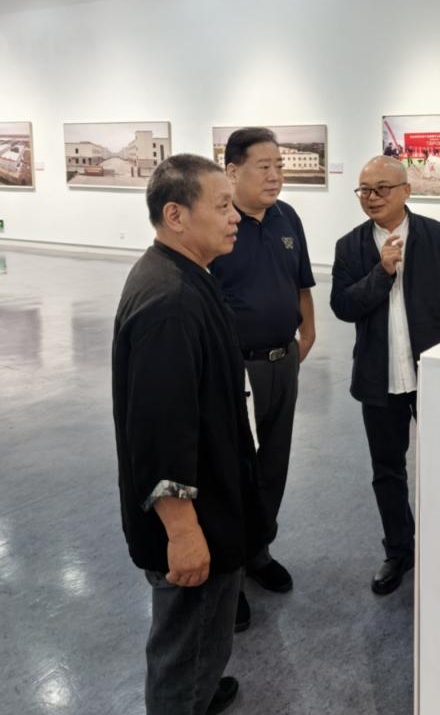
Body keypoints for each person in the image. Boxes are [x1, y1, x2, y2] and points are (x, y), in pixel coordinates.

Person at [112, 154, 256, 715]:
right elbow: (158, 431)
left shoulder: (187, 276)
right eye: (222, 206)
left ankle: (201, 687)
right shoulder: (169, 302)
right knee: (184, 644)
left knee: (202, 635)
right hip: (193, 518)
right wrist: (183, 531)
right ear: (175, 215)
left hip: (213, 498)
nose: (235, 216)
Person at [330, 156, 440, 595]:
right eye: (364, 190)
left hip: (433, 374)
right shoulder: (350, 246)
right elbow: (343, 306)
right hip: (379, 378)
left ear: (406, 190)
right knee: (387, 470)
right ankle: (399, 551)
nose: (372, 198)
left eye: (382, 188)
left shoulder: (439, 238)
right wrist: (381, 272)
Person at [209, 128, 316, 615]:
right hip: (236, 369)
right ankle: (227, 576)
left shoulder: (286, 217)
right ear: (232, 171)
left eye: (279, 166)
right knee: (233, 470)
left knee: (273, 463)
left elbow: (301, 283)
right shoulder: (217, 223)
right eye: (264, 166)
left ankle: (258, 551)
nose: (275, 176)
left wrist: (306, 334)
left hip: (282, 361)